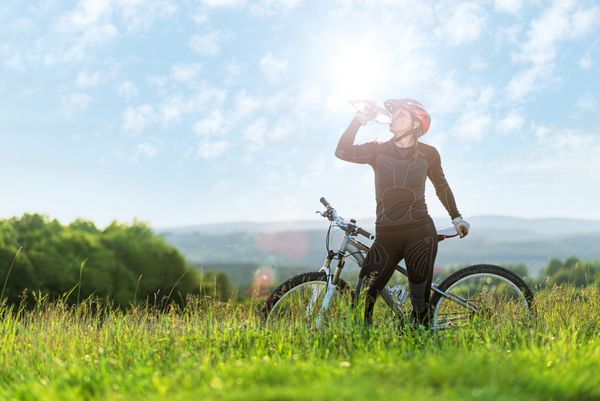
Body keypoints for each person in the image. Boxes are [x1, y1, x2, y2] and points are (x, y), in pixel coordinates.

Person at [335, 98, 470, 328]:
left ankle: (421, 348)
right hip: (386, 235)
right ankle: (363, 348)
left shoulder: (429, 154)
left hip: (419, 233)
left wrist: (456, 217)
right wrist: (358, 120)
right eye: (393, 114)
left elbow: (441, 186)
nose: (393, 118)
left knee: (419, 305)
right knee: (364, 300)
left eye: (401, 115)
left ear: (416, 124)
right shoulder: (378, 150)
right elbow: (342, 151)